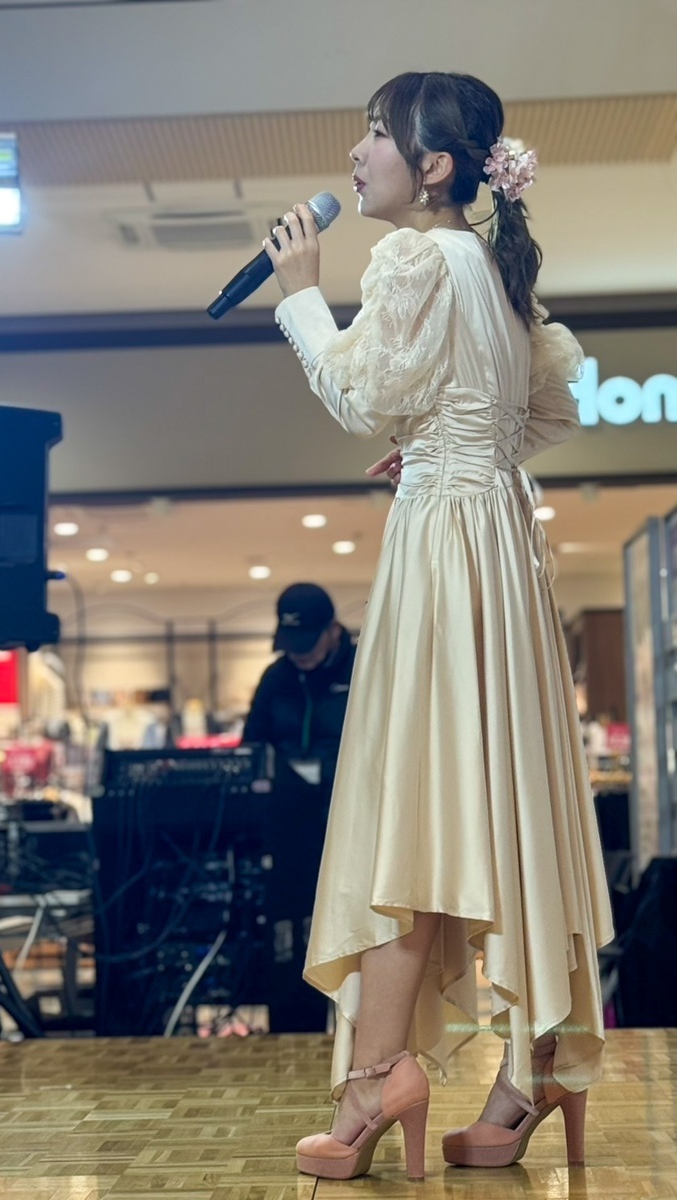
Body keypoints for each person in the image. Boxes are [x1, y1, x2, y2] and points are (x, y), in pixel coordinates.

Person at [262, 71, 614, 1182]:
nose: (357, 152)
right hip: (497, 543)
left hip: (444, 549)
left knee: (413, 809)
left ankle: (377, 1080)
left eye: (376, 132)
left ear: (435, 167)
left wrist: (300, 296)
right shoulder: (495, 271)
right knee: (504, 805)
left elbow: (358, 395)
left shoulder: (418, 257)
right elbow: (548, 407)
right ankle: (536, 1062)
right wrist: (455, 442)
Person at [242, 582, 355, 786]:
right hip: (285, 793)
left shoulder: (361, 670)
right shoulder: (275, 677)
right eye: (290, 644)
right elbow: (253, 740)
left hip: (347, 790)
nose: (298, 654)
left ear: (333, 631)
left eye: (307, 644)